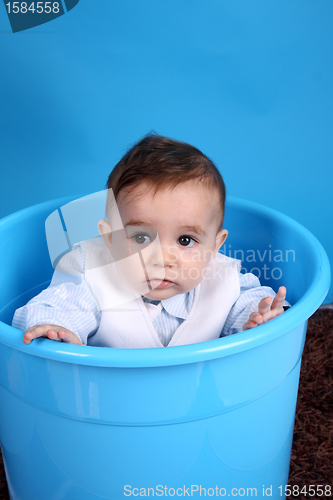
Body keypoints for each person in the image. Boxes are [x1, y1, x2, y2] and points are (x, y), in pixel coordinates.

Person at [13, 134, 288, 348]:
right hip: (108, 402)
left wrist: (260, 318)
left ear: (215, 246)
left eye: (185, 239)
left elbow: (248, 303)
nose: (162, 258)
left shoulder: (224, 277)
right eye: (142, 237)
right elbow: (60, 305)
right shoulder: (90, 272)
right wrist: (57, 328)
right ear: (110, 239)